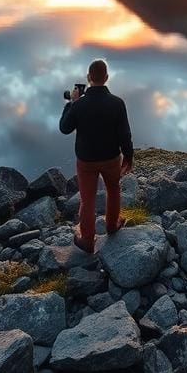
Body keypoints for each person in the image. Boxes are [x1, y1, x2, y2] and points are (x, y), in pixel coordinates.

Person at [59, 59, 133, 253]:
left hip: (86, 161)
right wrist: (129, 156)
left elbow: (64, 128)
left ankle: (88, 241)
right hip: (111, 158)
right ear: (106, 78)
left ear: (88, 78)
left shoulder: (79, 104)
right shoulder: (117, 103)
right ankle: (111, 225)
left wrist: (70, 104)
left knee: (87, 200)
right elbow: (124, 134)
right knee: (113, 190)